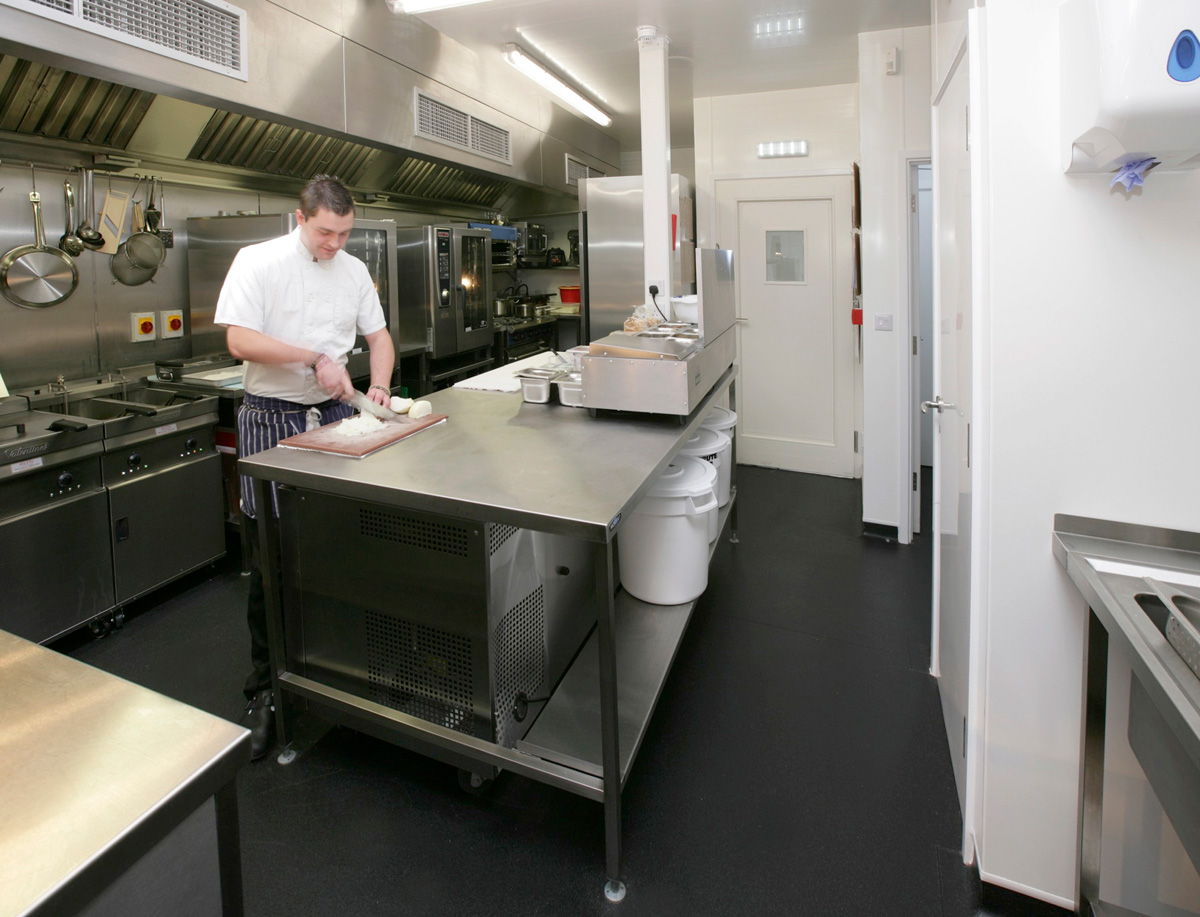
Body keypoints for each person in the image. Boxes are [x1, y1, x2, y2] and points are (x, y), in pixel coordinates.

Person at [214, 174, 394, 760]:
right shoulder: (258, 261)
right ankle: (265, 689)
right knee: (272, 557)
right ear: (300, 218)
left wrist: (379, 384)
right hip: (272, 418)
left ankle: (338, 668)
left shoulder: (353, 270)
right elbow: (240, 340)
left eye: (344, 233)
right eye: (324, 233)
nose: (334, 244)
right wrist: (314, 358)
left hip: (337, 418)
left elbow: (380, 337)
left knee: (337, 544)